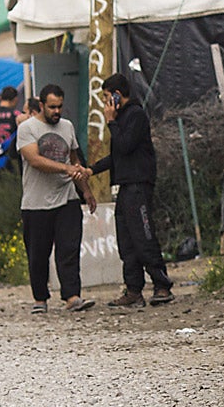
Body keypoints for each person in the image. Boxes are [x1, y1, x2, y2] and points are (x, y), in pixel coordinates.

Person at [89, 72, 171, 307]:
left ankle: (161, 284)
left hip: (138, 184)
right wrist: (91, 170)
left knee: (143, 236)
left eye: (107, 97)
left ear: (116, 95)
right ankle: (133, 289)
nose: (105, 103)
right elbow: (116, 157)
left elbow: (124, 147)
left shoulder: (135, 116)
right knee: (126, 240)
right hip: (125, 186)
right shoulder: (123, 119)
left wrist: (111, 121)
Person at [17, 84, 93, 315]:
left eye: (60, 106)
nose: (56, 111)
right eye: (52, 107)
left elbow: (75, 160)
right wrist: (67, 169)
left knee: (68, 249)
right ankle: (40, 298)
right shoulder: (27, 128)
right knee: (38, 254)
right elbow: (35, 160)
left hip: (66, 198)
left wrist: (86, 191)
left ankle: (72, 296)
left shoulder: (67, 127)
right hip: (36, 203)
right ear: (41, 105)